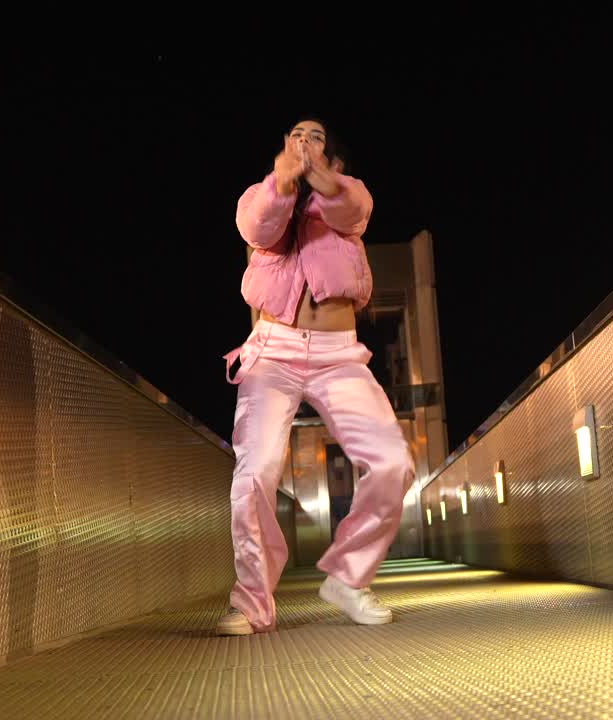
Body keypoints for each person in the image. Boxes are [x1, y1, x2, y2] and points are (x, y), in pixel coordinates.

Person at [217, 118, 416, 636]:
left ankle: (348, 578)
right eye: (294, 135)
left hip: (338, 354)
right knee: (255, 470)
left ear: (336, 157)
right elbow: (257, 227)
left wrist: (321, 175)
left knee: (392, 461)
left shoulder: (349, 198)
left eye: (315, 136)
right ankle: (253, 603)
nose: (302, 141)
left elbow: (351, 208)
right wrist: (284, 178)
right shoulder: (262, 196)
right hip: (273, 350)